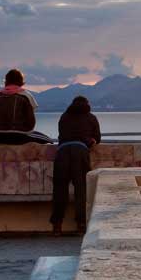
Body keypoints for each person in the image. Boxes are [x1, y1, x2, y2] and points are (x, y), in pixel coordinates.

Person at [50, 95, 101, 234]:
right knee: (81, 190)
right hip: (80, 152)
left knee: (60, 190)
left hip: (62, 152)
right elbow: (97, 137)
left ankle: (57, 226)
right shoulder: (91, 117)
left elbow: (62, 135)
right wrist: (90, 141)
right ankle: (81, 225)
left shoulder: (64, 116)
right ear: (87, 104)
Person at [0, 69, 52, 145]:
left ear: (6, 81)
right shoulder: (25, 95)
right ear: (21, 82)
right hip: (19, 136)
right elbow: (31, 121)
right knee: (48, 139)